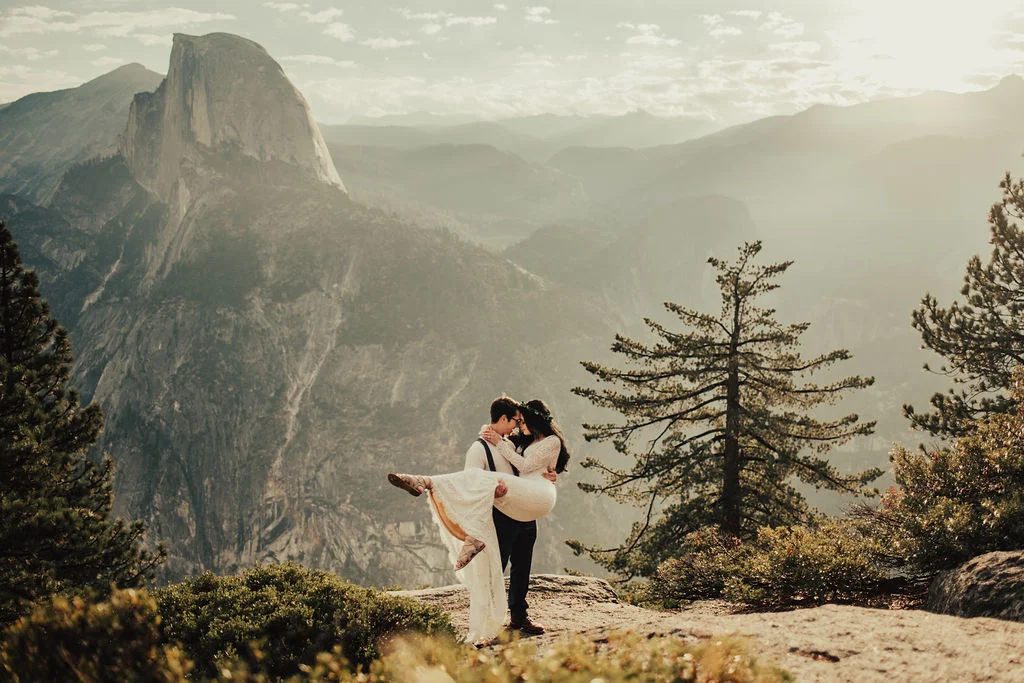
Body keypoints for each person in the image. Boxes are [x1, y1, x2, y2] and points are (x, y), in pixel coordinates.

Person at [387, 397, 570, 643]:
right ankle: (490, 620)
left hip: (525, 508)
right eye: (516, 421)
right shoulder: (480, 447)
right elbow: (470, 482)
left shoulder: (516, 442)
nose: (518, 426)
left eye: (522, 422)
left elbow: (532, 463)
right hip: (502, 516)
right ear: (504, 419)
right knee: (495, 567)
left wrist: (551, 472)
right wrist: (493, 491)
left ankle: (519, 615)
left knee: (522, 566)